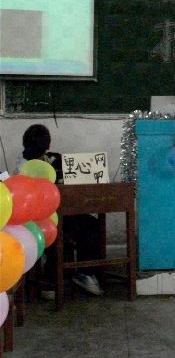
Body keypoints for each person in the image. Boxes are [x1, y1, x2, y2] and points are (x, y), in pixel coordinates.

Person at [15, 124, 103, 299]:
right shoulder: (24, 168)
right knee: (64, 231)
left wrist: (59, 164)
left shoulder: (46, 159)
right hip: (39, 220)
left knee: (91, 223)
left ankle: (83, 273)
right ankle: (54, 279)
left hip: (59, 212)